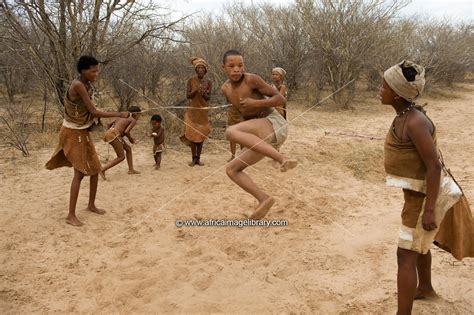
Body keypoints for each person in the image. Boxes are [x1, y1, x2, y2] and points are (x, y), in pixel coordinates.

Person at [380, 60, 473, 314]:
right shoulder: (403, 116)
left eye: (384, 86)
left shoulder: (415, 122)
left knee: (405, 254)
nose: (379, 90)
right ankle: (426, 288)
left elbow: (434, 167)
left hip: (424, 197)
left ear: (398, 93)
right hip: (417, 196)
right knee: (418, 246)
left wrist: (430, 209)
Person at [45, 55, 130, 227]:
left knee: (95, 168)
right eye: (93, 70)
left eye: (97, 70)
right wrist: (119, 114)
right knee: (80, 173)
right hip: (72, 132)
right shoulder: (78, 85)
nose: (96, 73)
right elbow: (93, 111)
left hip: (81, 131)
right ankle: (70, 215)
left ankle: (91, 205)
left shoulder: (87, 84)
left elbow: (89, 110)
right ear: (83, 71)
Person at [221, 50, 297, 220]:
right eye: (231, 66)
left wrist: (257, 103)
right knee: (232, 170)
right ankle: (264, 199)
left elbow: (280, 100)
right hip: (262, 136)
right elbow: (244, 113)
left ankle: (281, 157)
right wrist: (245, 137)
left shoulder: (251, 79)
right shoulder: (225, 88)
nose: (236, 69)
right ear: (223, 67)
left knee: (231, 131)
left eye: (240, 65)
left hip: (274, 124)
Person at [180, 57, 212, 166]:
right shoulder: (191, 80)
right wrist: (195, 90)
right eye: (198, 68)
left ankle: (199, 158)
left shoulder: (208, 82)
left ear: (205, 70)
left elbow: (208, 97)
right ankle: (193, 158)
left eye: (202, 68)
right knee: (192, 136)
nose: (200, 70)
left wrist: (203, 93)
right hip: (192, 111)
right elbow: (188, 95)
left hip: (202, 112)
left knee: (201, 136)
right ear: (195, 70)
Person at [100, 105, 141, 179]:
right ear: (135, 114)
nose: (139, 117)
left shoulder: (122, 116)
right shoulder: (133, 120)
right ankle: (102, 169)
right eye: (139, 114)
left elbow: (109, 124)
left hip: (110, 133)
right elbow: (126, 131)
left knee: (128, 149)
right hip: (114, 135)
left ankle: (131, 170)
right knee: (121, 157)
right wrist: (131, 139)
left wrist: (110, 132)